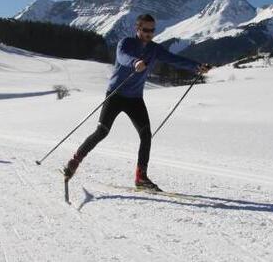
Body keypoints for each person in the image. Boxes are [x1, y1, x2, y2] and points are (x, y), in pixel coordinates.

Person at [63, 13, 210, 190]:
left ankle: (141, 177)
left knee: (146, 135)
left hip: (135, 99)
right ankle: (75, 161)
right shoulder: (125, 43)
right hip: (116, 94)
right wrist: (135, 62)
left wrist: (196, 66)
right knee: (102, 131)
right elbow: (123, 56)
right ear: (137, 28)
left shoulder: (155, 49)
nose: (149, 33)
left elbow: (174, 59)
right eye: (146, 30)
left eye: (152, 30)